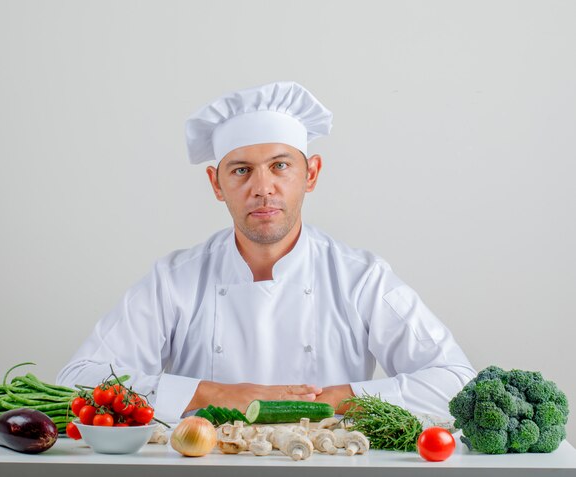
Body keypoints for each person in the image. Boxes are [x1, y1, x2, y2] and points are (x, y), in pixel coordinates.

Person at [57, 81, 476, 423]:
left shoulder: (361, 277)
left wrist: (337, 399)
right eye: (241, 170)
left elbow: (457, 381)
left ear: (310, 174)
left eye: (280, 166)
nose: (262, 188)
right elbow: (75, 381)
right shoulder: (174, 279)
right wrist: (215, 392)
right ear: (216, 185)